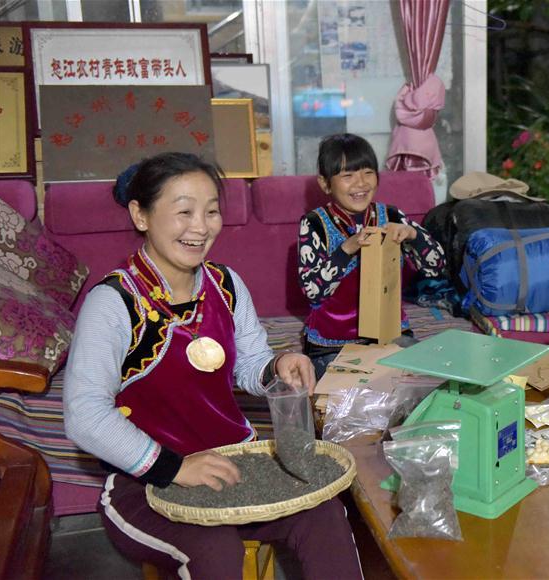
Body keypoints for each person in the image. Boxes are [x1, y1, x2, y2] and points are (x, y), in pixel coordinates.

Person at [63, 152, 363, 579]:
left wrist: (278, 365)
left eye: (212, 211)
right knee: (215, 549)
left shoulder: (225, 284)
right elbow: (85, 415)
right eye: (184, 211)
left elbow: (250, 363)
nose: (201, 227)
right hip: (145, 483)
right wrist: (177, 467)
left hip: (232, 463)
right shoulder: (113, 303)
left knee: (325, 515)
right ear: (141, 215)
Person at [298, 133, 445, 378]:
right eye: (347, 175)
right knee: (348, 401)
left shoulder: (392, 215)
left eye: (368, 172)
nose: (361, 183)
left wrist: (412, 235)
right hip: (334, 343)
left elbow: (437, 267)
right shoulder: (314, 224)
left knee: (428, 382)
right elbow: (313, 291)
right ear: (325, 184)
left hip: (391, 333)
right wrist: (347, 248)